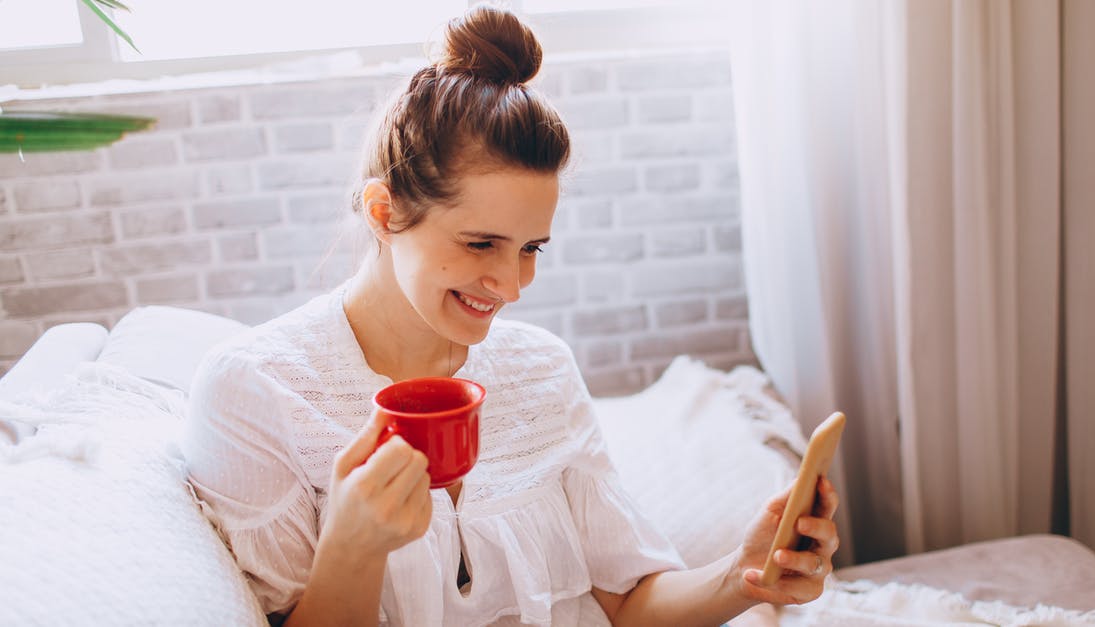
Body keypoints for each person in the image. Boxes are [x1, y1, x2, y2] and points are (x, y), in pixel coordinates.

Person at [182, 5, 839, 626]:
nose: (512, 286)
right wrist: (353, 549)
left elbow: (631, 603)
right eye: (479, 244)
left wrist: (743, 571)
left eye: (531, 249)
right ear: (383, 212)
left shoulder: (541, 366)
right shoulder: (256, 391)